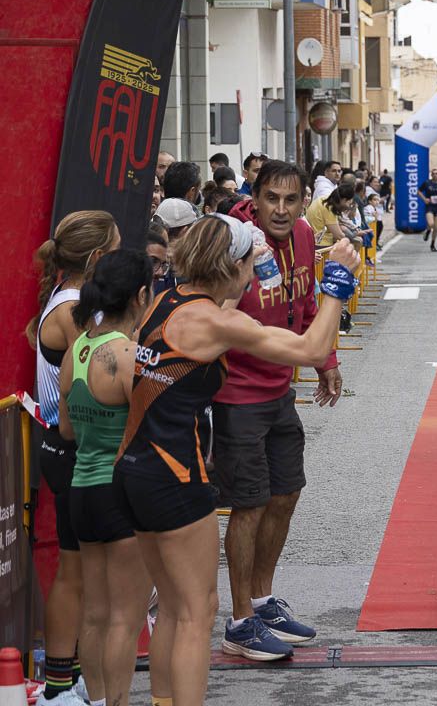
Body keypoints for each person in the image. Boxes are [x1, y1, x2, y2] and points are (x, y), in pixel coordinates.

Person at [111, 218, 358, 705]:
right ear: (235, 265)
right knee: (197, 613)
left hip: (133, 467)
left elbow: (211, 311)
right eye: (251, 261)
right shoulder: (219, 322)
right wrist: (336, 283)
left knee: (171, 609)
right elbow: (310, 349)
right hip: (174, 476)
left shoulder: (168, 300)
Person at [214, 160, 344, 661]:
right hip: (236, 393)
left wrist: (326, 361)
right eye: (272, 199)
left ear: (304, 198)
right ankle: (241, 620)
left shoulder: (307, 234)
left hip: (279, 387)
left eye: (292, 200)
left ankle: (264, 602)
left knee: (285, 494)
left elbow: (308, 304)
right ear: (256, 195)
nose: (282, 210)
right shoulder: (234, 240)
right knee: (248, 503)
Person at [29, 210, 121, 706]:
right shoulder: (70, 309)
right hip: (69, 447)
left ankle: (80, 674)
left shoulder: (77, 299)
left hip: (81, 446)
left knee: (89, 572)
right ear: (98, 257)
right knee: (74, 572)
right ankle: (58, 685)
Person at [60, 249, 155, 706]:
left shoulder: (78, 348)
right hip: (120, 495)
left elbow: (65, 428)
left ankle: (96, 701)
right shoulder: (127, 355)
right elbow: (153, 429)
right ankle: (117, 701)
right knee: (125, 618)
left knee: (95, 614)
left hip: (81, 490)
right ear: (140, 295)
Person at [419, 169, 437, 252]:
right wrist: (424, 199)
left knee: (436, 228)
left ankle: (432, 244)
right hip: (429, 206)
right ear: (431, 175)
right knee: (431, 224)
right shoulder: (427, 183)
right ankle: (428, 231)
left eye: (436, 173)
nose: (435, 175)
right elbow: (419, 191)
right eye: (433, 174)